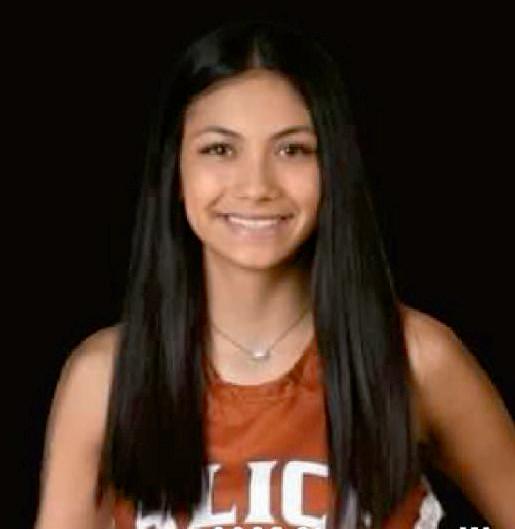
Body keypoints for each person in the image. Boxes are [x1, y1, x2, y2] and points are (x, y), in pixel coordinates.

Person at [34, 19, 515, 529]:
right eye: (220, 149)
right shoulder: (105, 378)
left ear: (333, 169)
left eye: (293, 150)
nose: (256, 186)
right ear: (174, 171)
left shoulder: (415, 358)